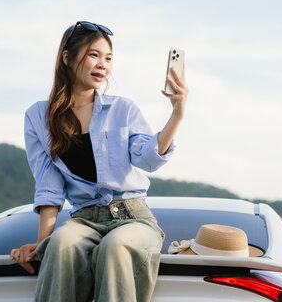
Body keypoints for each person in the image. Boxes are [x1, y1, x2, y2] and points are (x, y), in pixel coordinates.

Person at [10, 21, 188, 302]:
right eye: (94, 55)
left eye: (108, 58)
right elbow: (49, 185)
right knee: (60, 243)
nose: (102, 64)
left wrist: (176, 114)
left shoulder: (122, 109)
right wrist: (43, 242)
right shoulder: (37, 117)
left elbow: (148, 158)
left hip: (133, 218)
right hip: (83, 220)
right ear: (67, 58)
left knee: (115, 246)